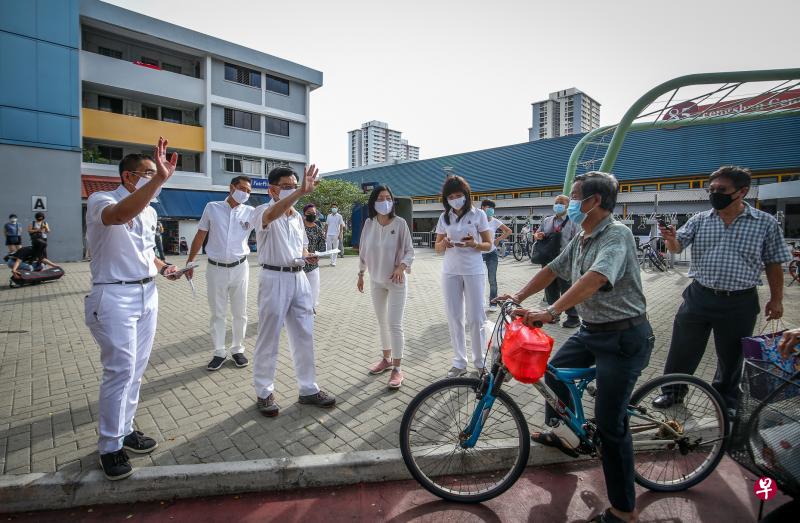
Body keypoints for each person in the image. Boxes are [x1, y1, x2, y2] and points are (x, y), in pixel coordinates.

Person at [497, 171, 653, 523]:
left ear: (595, 201)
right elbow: (553, 269)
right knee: (551, 372)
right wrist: (518, 296)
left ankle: (624, 511)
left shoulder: (617, 235)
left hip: (623, 337)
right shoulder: (582, 236)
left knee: (611, 425)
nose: (569, 201)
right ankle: (567, 435)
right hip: (591, 330)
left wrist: (551, 311)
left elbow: (595, 279)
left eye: (575, 195)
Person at [85, 138, 184, 481]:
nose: (155, 177)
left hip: (147, 293)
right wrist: (160, 179)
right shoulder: (102, 199)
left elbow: (144, 251)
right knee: (120, 369)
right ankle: (109, 446)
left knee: (137, 370)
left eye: (156, 173)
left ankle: (125, 430)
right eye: (148, 173)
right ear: (128, 177)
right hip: (113, 296)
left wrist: (165, 267)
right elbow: (118, 216)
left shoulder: (152, 210)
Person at [653, 165, 790, 413]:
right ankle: (672, 392)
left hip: (740, 302)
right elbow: (675, 247)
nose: (715, 193)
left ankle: (724, 400)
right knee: (682, 349)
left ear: (742, 192)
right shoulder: (700, 220)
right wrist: (670, 238)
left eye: (722, 189)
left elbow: (773, 263)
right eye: (712, 189)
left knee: (732, 356)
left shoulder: (765, 223)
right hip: (699, 296)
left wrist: (777, 299)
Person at [251, 165, 336, 417]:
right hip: (273, 278)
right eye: (287, 186)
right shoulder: (263, 211)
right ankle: (264, 392)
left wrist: (308, 255)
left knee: (304, 334)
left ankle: (308, 388)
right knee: (269, 336)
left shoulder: (297, 217)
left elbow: (300, 249)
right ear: (272, 189)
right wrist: (299, 192)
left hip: (299, 278)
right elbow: (271, 216)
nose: (293, 190)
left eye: (295, 185)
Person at [187, 176, 256, 371]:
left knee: (240, 312)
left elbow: (267, 226)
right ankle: (219, 351)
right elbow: (200, 234)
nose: (245, 193)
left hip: (240, 267)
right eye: (242, 188)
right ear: (231, 187)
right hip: (215, 268)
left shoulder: (250, 212)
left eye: (249, 191)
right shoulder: (212, 207)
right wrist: (190, 261)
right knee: (217, 313)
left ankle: (237, 349)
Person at [434, 176, 493, 378]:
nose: (455, 199)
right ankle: (459, 362)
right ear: (446, 199)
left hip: (473, 270)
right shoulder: (444, 217)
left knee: (476, 317)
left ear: (466, 195)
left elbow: (489, 244)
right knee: (454, 317)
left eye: (459, 195)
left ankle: (480, 362)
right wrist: (444, 244)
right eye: (451, 196)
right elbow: (437, 247)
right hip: (450, 271)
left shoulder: (479, 215)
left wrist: (474, 244)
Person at [358, 185, 415, 389]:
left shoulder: (400, 224)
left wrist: (401, 267)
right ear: (373, 202)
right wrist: (361, 273)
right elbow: (363, 251)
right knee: (382, 322)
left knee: (394, 324)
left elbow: (409, 250)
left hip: (396, 281)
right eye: (380, 198)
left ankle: (398, 369)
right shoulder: (369, 223)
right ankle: (386, 358)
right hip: (376, 281)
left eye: (388, 197)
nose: (385, 201)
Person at [535, 195, 581, 328]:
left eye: (561, 203)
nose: (558, 205)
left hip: (565, 260)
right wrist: (539, 235)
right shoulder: (547, 220)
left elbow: (577, 241)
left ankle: (573, 317)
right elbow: (537, 233)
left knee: (567, 289)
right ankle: (553, 315)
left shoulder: (573, 221)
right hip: (548, 259)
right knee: (550, 288)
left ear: (567, 206)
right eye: (556, 202)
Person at [480, 200, 512, 311]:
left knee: (492, 279)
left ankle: (493, 303)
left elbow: (508, 231)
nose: (491, 210)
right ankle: (480, 303)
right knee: (479, 279)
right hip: (478, 253)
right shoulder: (477, 220)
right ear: (483, 208)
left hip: (491, 253)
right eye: (489, 207)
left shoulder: (494, 221)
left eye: (492, 208)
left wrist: (498, 239)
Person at [302, 203, 325, 313]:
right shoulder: (298, 228)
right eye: (309, 213)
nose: (312, 215)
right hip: (299, 264)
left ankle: (311, 308)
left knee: (313, 288)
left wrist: (317, 256)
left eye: (314, 213)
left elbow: (322, 247)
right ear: (304, 214)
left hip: (313, 264)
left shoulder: (318, 230)